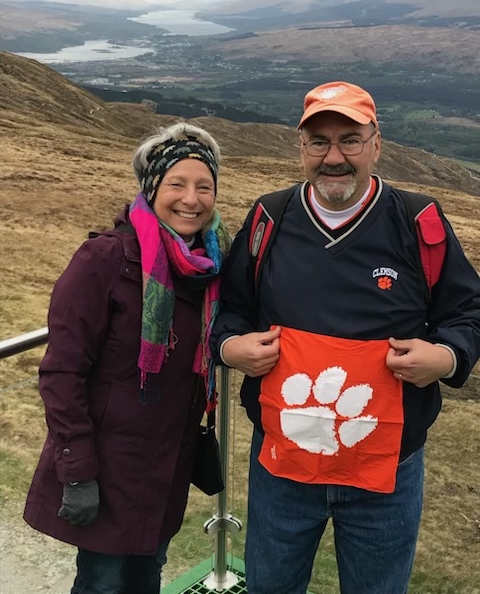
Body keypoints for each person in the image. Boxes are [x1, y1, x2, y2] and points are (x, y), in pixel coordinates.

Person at [210, 81, 480, 594]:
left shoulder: (418, 220)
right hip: (282, 467)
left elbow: (468, 310)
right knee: (270, 587)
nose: (334, 156)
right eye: (319, 142)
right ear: (302, 148)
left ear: (376, 143)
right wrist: (230, 348)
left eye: (350, 140)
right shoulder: (270, 218)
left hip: (388, 473)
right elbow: (229, 308)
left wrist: (445, 356)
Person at [24, 122, 231, 594]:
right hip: (106, 464)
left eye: (205, 186)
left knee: (146, 576)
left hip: (166, 463)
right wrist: (76, 471)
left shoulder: (212, 265)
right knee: (101, 583)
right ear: (151, 187)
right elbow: (61, 372)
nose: (191, 199)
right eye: (177, 184)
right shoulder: (105, 259)